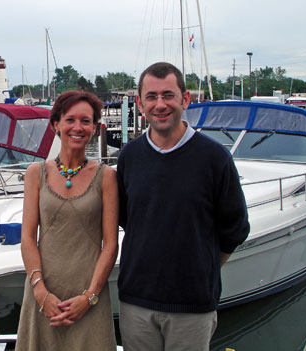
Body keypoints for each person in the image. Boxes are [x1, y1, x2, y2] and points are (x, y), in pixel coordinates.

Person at [116, 62, 250, 351]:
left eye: (168, 95)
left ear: (185, 99)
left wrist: (201, 266)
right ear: (140, 103)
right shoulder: (129, 157)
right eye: (151, 97)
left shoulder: (215, 158)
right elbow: (130, 219)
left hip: (193, 306)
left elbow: (235, 228)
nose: (160, 104)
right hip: (136, 301)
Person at [16, 91, 119, 351]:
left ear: (95, 128)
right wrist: (40, 292)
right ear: (56, 125)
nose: (77, 127)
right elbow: (28, 238)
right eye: (70, 120)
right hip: (43, 294)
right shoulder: (35, 174)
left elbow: (110, 245)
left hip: (88, 297)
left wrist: (90, 297)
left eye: (86, 121)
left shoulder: (106, 176)